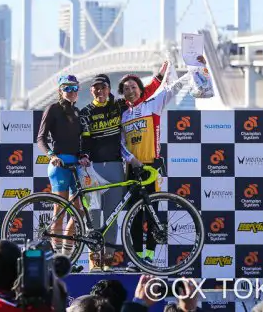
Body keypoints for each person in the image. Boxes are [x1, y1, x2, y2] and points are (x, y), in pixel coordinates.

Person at [78, 64, 167, 269]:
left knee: (114, 216)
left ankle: (111, 261)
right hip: (93, 168)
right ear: (91, 91)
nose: (100, 91)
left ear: (109, 89)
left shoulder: (121, 107)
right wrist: (80, 155)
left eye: (103, 87)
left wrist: (160, 76)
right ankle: (94, 262)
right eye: (96, 88)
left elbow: (141, 94)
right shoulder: (86, 112)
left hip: (120, 167)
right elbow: (83, 138)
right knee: (94, 215)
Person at [119, 58, 199, 268]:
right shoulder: (123, 115)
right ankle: (136, 258)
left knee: (151, 213)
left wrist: (192, 72)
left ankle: (150, 256)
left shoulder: (153, 105)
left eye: (133, 87)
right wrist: (131, 159)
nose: (130, 91)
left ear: (140, 89)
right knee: (134, 216)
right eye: (126, 89)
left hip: (151, 168)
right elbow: (120, 144)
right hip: (131, 170)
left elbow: (173, 89)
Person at [36, 74, 91, 255]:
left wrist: (82, 155)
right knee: (59, 210)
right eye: (67, 88)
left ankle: (66, 257)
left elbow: (79, 140)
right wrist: (51, 155)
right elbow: (41, 138)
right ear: (60, 90)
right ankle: (56, 256)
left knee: (78, 211)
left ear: (78, 90)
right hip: (59, 164)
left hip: (75, 165)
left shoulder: (77, 112)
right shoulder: (53, 108)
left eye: (74, 88)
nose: (71, 91)